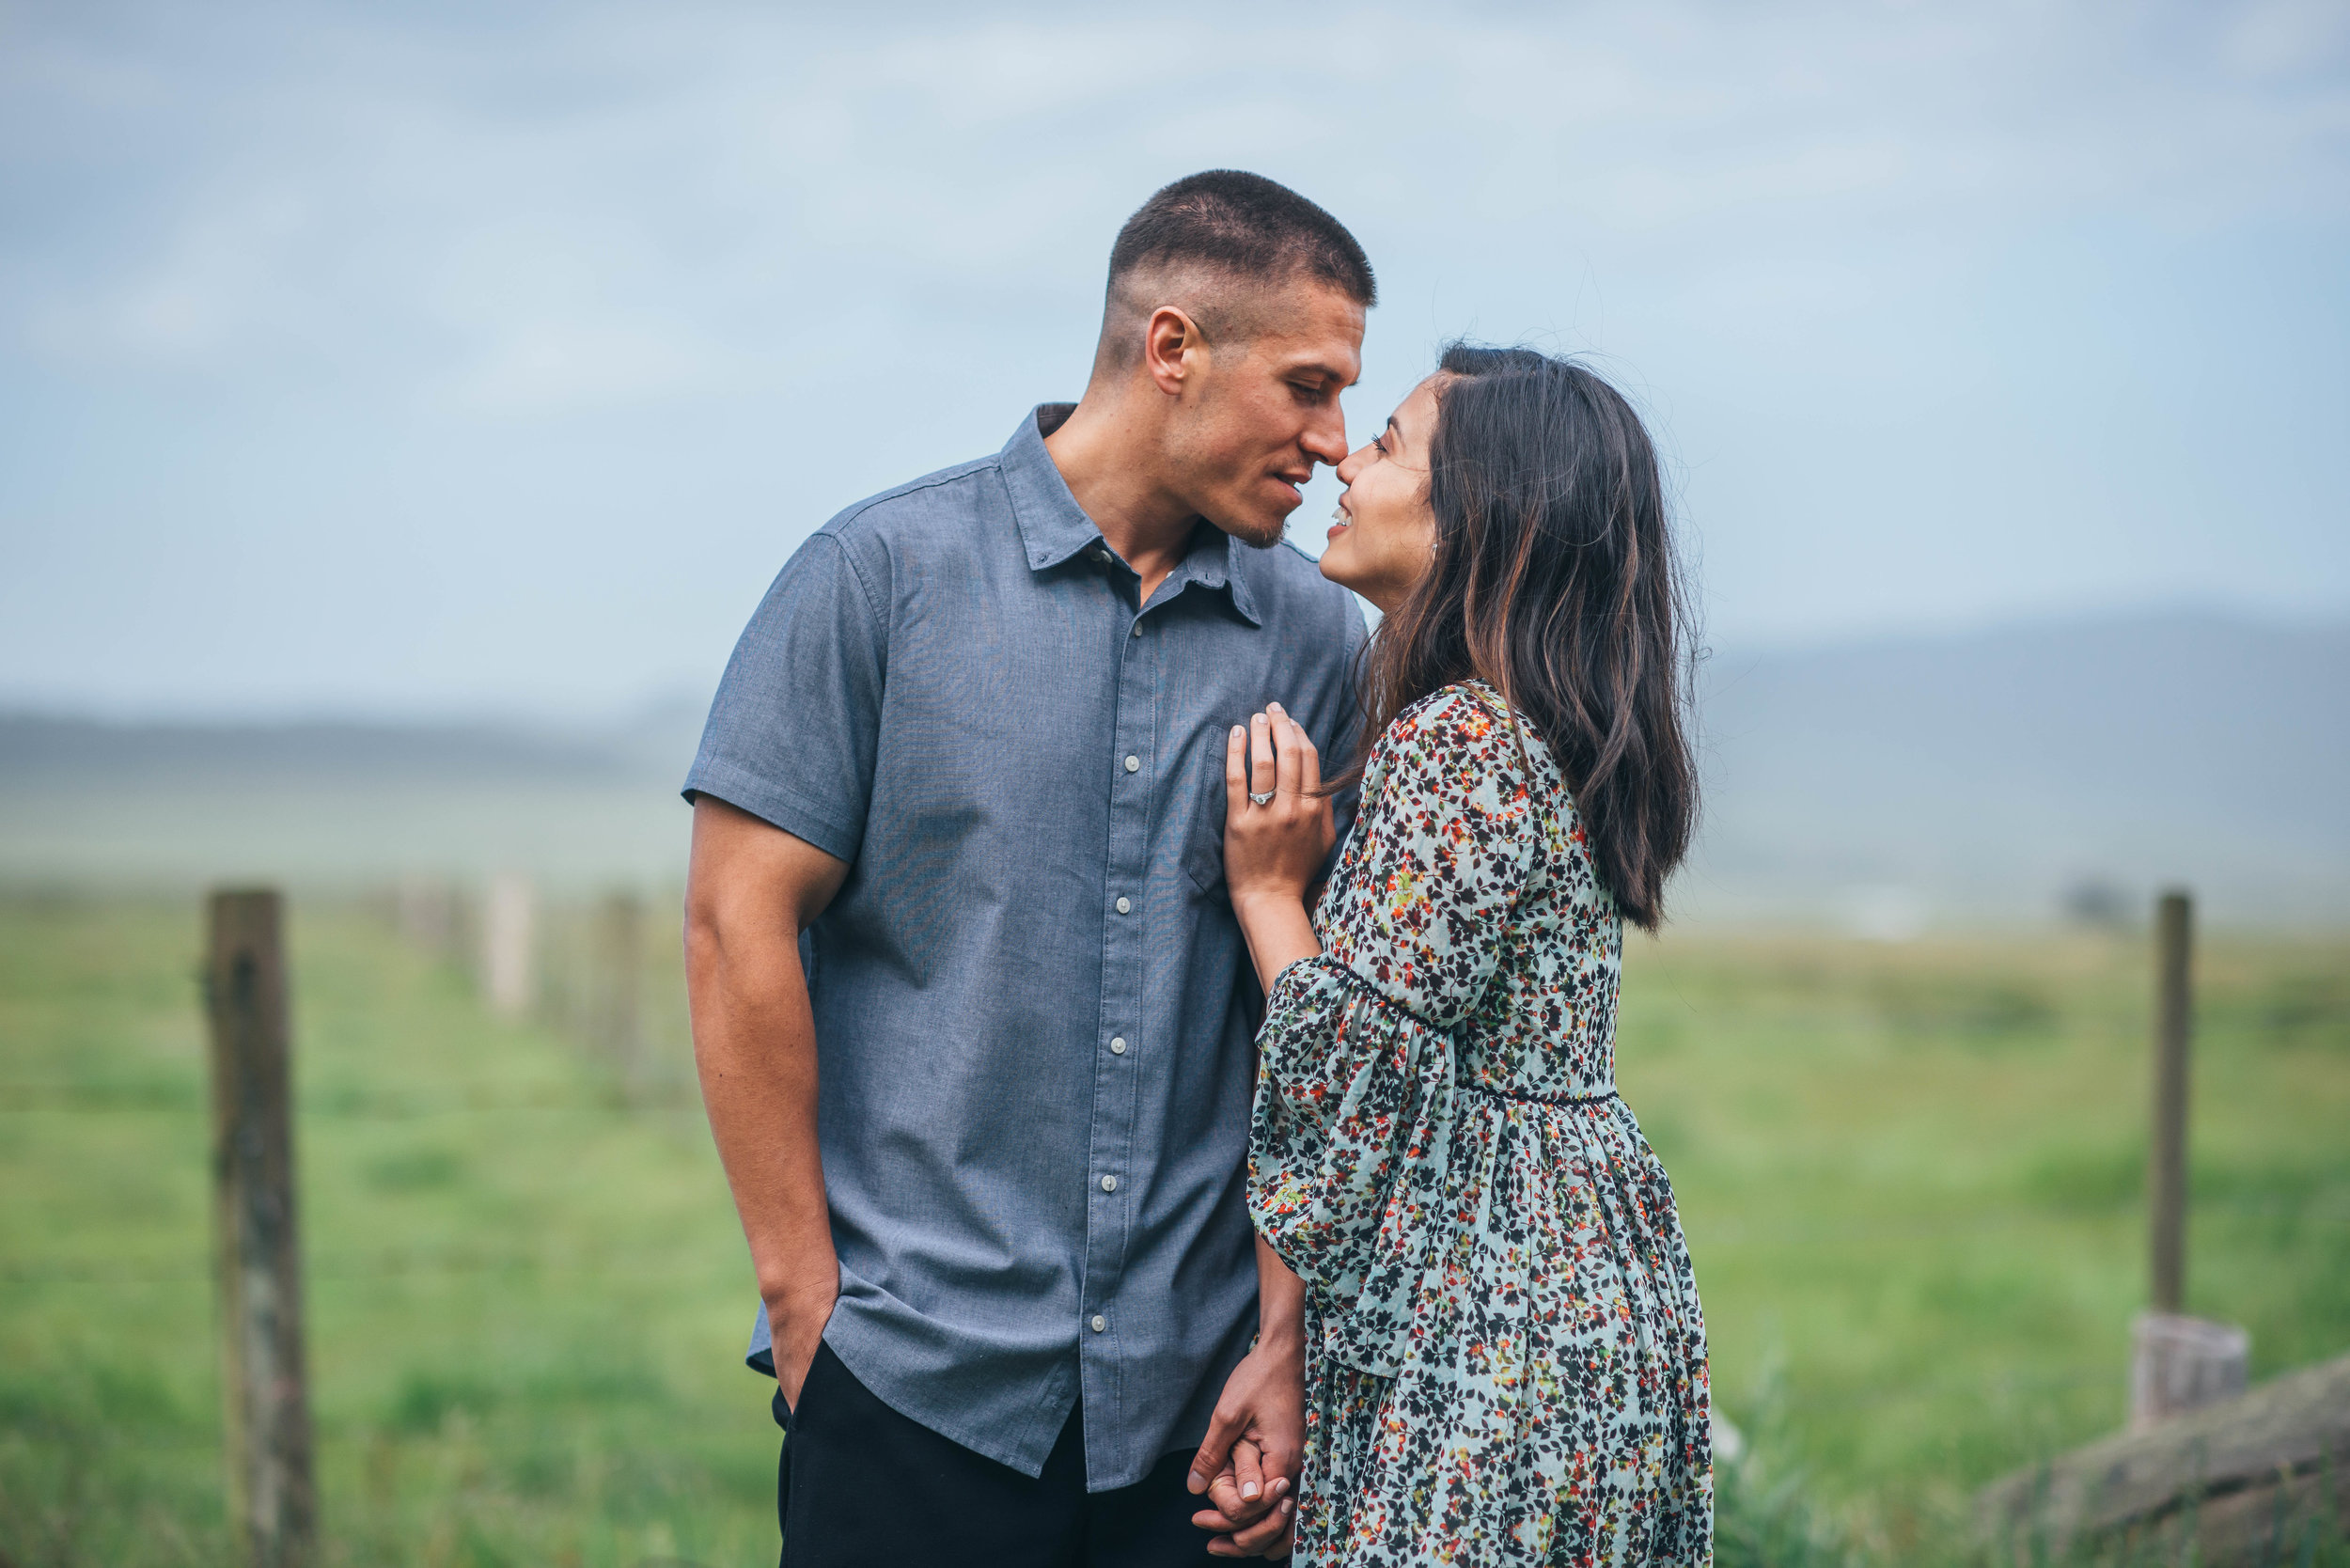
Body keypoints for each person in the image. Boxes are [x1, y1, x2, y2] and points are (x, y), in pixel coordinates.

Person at [681, 170, 1375, 1566]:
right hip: (911, 1390)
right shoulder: (878, 579)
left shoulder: (1322, 647)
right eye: (1307, 386)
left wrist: (1292, 1351)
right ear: (1171, 349)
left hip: (1200, 1429)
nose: (1336, 441)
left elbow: (1321, 1027)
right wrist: (809, 1309)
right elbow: (731, 923)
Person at [1210, 347, 1713, 1564]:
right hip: (1591, 1283)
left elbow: (1351, 1086)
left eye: (1386, 444)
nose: (1344, 456)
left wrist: (1270, 893)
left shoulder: (1462, 742)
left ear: (1489, 515)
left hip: (1486, 1313)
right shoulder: (1552, 732)